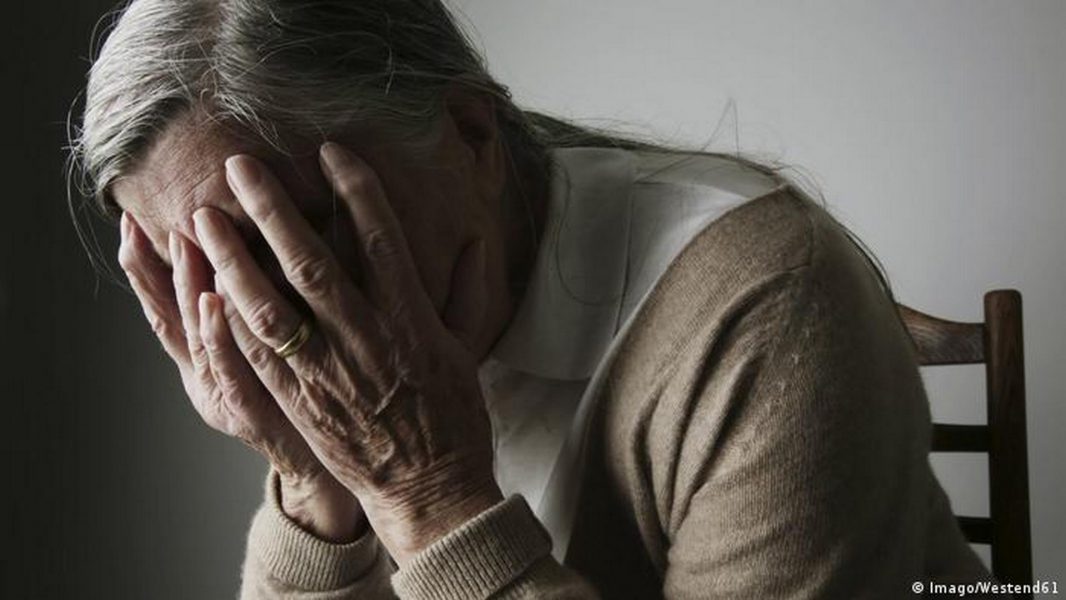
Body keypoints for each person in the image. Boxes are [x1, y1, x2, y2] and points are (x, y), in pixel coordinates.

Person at [71, 0, 993, 598]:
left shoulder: (770, 307)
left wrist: (429, 495)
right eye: (210, 268)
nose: (270, 320)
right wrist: (313, 476)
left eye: (297, 235)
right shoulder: (350, 350)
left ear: (471, 136)